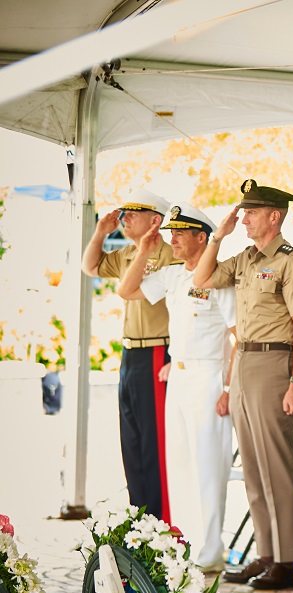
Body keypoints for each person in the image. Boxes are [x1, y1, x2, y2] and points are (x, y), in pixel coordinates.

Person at [194, 179, 293, 590]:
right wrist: (217, 236)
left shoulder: (290, 262)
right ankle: (266, 553)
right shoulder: (244, 257)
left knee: (277, 464)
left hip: (274, 363)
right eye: (242, 212)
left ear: (274, 216)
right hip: (244, 360)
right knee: (252, 466)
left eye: (251, 212)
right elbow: (201, 278)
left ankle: (288, 560)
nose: (243, 218)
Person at [117, 203, 235, 572]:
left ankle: (211, 552)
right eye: (171, 232)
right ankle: (186, 543)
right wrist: (144, 251)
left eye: (181, 233)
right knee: (180, 465)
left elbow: (238, 337)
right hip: (179, 377)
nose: (173, 239)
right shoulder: (173, 276)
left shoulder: (218, 279)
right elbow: (126, 289)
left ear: (203, 237)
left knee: (208, 464)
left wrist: (229, 388)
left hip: (209, 376)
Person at [81, 188, 174, 521]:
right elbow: (89, 266)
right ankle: (140, 518)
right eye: (123, 212)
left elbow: (128, 292)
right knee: (131, 440)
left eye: (133, 213)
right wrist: (100, 233)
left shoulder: (168, 255)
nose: (124, 218)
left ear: (155, 221)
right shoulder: (125, 254)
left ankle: (161, 521)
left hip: (156, 351)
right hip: (130, 353)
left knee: (153, 442)